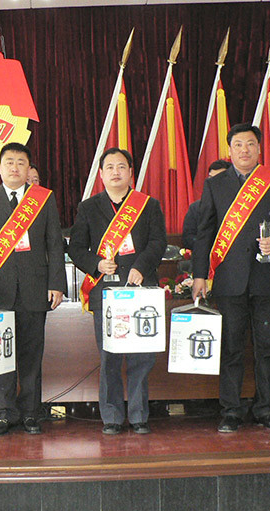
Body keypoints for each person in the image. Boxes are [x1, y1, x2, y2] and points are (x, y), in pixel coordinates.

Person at [192, 124, 270, 433]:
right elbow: (204, 233)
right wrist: (199, 275)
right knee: (231, 347)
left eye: (250, 144)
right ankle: (230, 410)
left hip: (267, 277)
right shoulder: (215, 185)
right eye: (238, 144)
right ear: (229, 150)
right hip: (229, 280)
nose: (244, 150)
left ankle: (266, 408)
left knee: (269, 346)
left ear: (259, 149)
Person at [68, 148, 166, 435]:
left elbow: (158, 242)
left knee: (141, 357)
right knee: (109, 356)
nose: (115, 171)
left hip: (141, 290)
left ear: (130, 172)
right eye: (109, 167)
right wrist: (97, 264)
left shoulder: (148, 205)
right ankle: (111, 417)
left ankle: (138, 415)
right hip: (106, 292)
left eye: (121, 166)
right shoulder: (88, 208)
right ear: (101, 174)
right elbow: (76, 248)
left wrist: (141, 267)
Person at [0, 142, 67, 436]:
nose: (14, 167)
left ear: (28, 169)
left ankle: (30, 413)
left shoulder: (43, 198)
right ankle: (4, 413)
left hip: (35, 288)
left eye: (20, 162)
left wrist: (56, 284)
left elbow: (54, 242)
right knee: (2, 353)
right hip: (0, 289)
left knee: (31, 355)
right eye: (9, 162)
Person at [183, 160, 231, 250]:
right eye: (211, 178)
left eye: (218, 179)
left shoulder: (239, 207)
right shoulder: (196, 208)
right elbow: (188, 238)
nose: (214, 183)